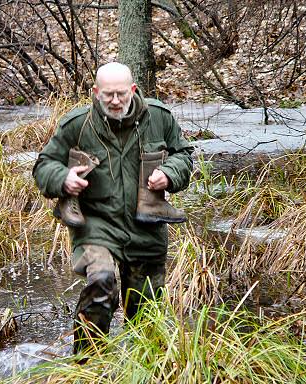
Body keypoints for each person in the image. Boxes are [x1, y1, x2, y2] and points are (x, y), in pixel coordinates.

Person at [32, 62, 193, 355]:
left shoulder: (159, 117)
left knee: (145, 313)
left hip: (146, 224)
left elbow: (184, 155)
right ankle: (88, 363)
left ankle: (140, 367)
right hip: (97, 224)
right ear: (96, 92)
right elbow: (44, 166)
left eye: (121, 94)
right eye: (108, 95)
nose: (115, 101)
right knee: (102, 282)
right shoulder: (77, 124)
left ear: (133, 90)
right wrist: (63, 179)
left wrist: (170, 173)